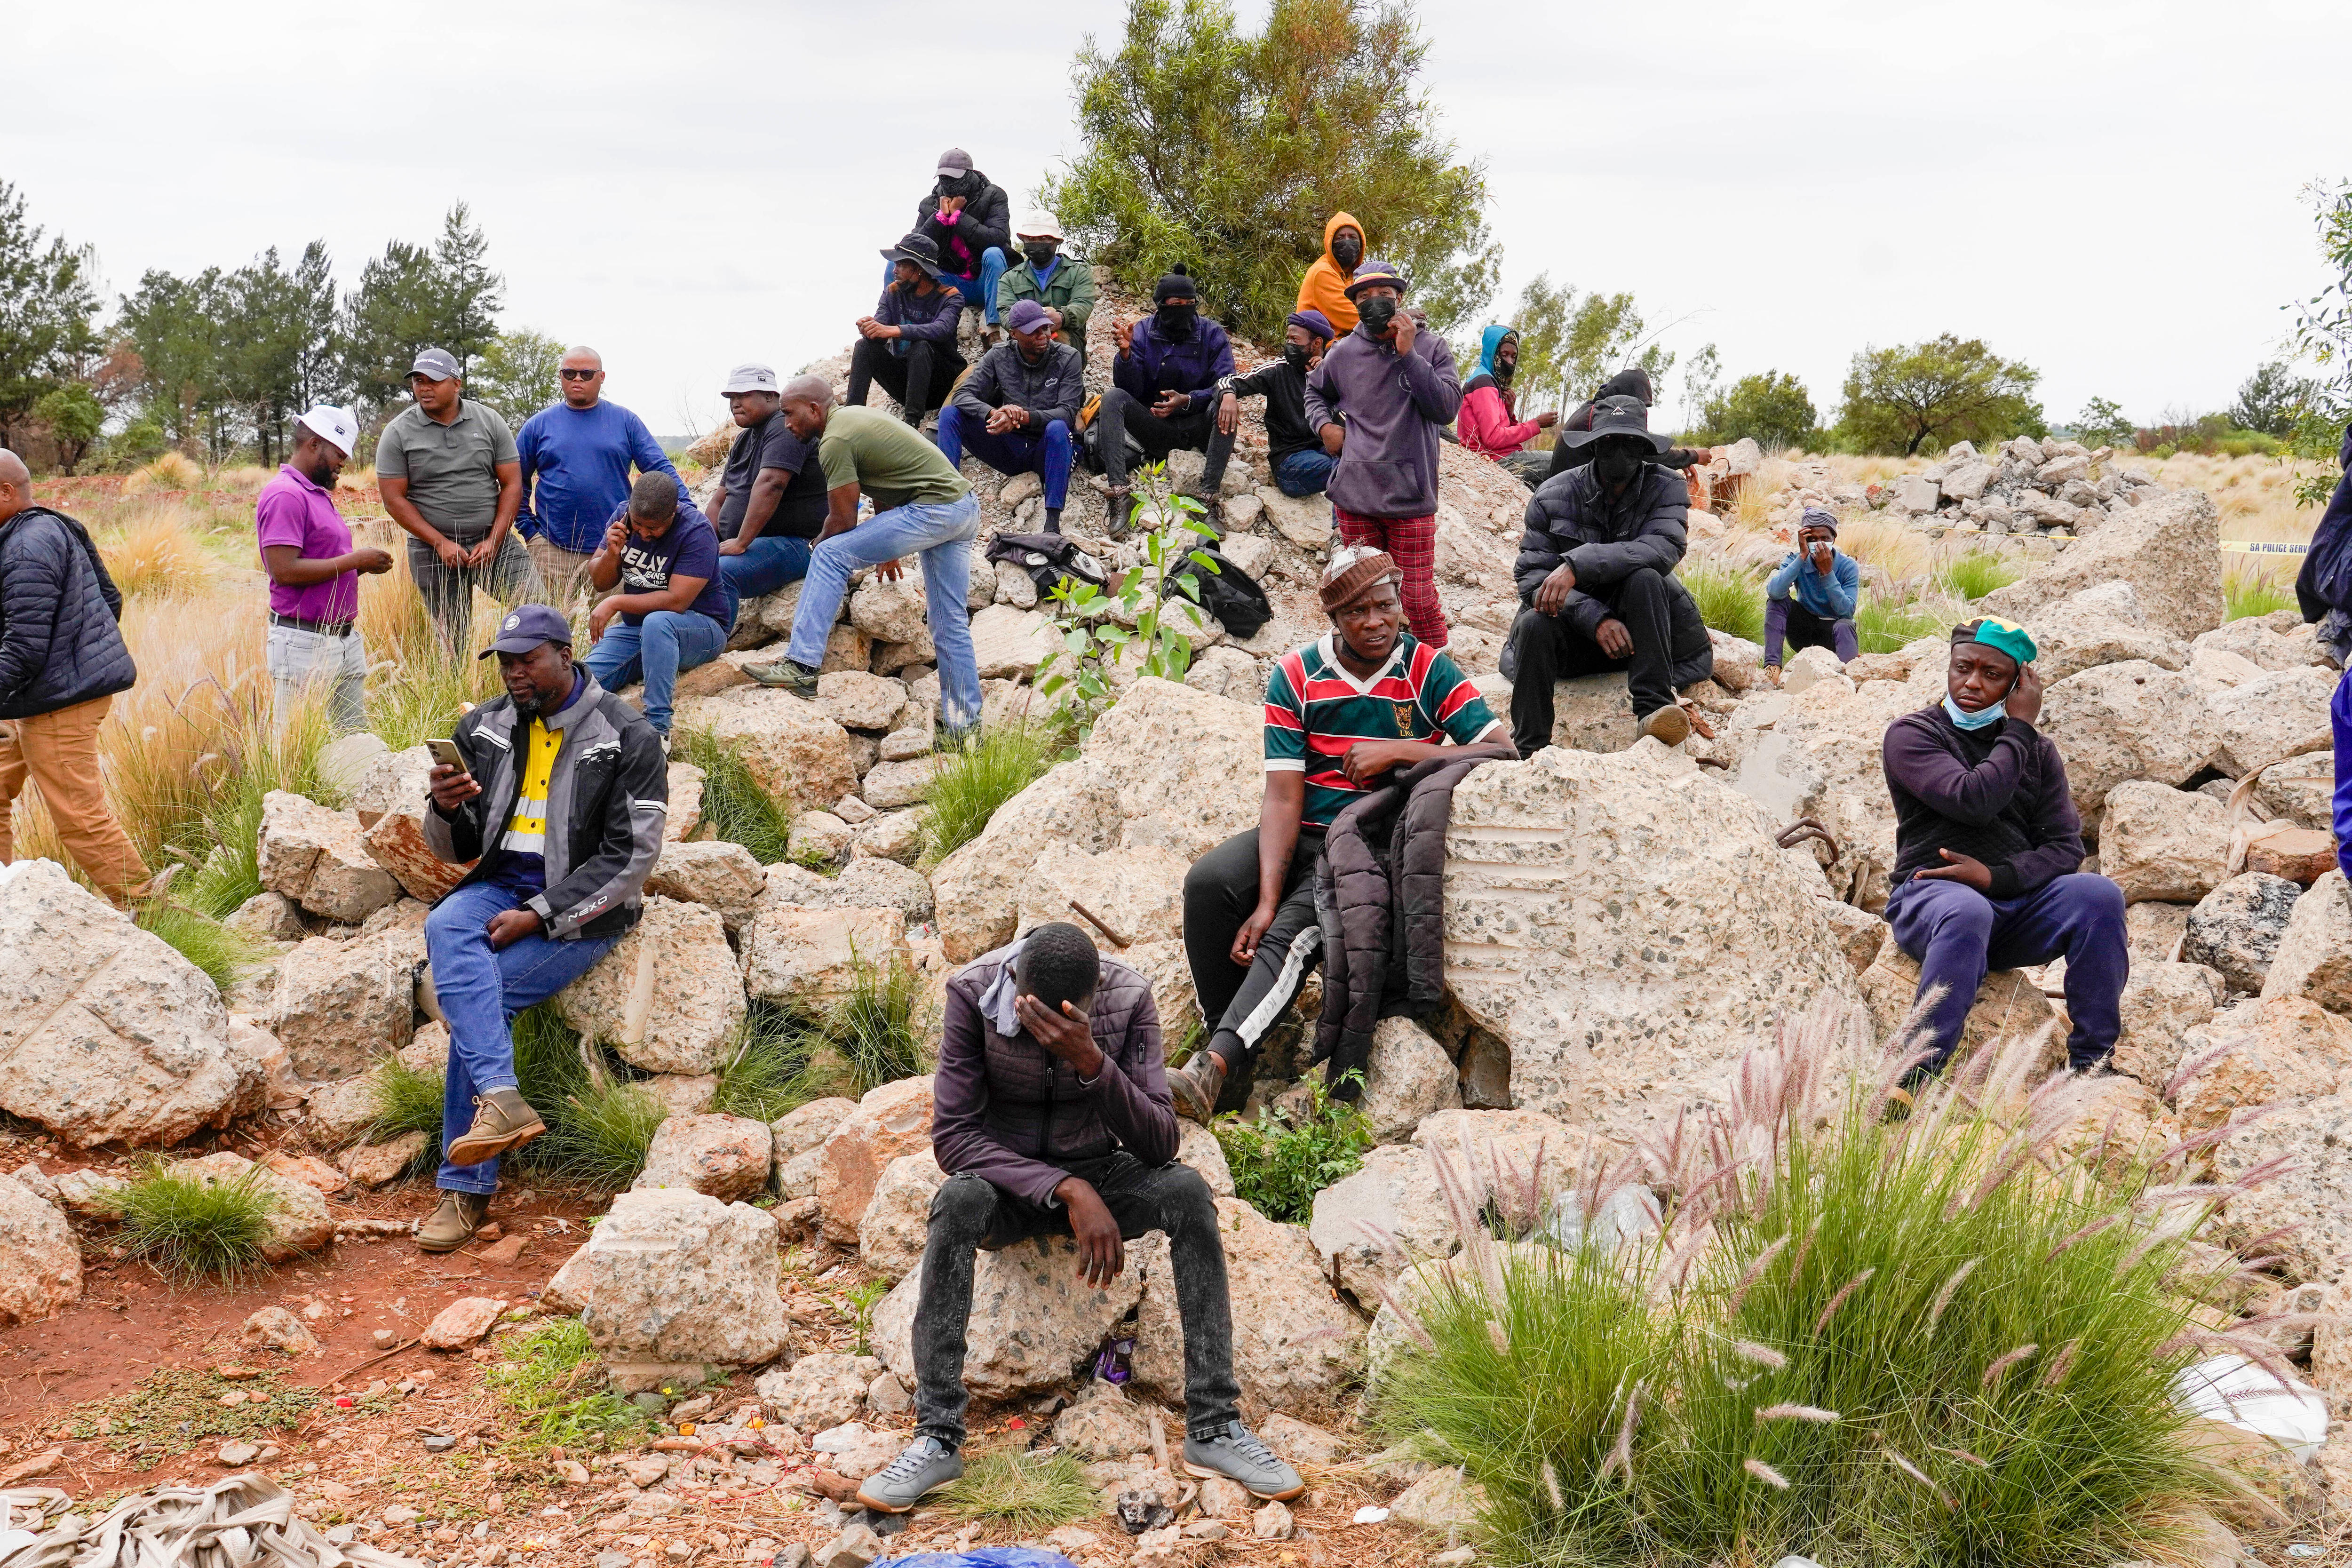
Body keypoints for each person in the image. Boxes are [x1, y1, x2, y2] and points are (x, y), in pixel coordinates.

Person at [857, 921, 1306, 1514]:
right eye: (1041, 1013)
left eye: (1073, 1013)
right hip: (1008, 1184)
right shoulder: (972, 993)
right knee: (957, 1203)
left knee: (1187, 1193)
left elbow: (1159, 1141)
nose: (1052, 1025)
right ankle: (937, 1438)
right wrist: (1064, 1189)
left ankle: (1214, 1426)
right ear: (1015, 980)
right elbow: (955, 1138)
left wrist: (1089, 1058)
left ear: (1096, 989)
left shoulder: (1127, 997)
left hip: (1103, 1169)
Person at [1168, 549, 1512, 1122]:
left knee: (1292, 933)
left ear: (1401, 604)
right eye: (1357, 612)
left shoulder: (1426, 669)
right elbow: (1282, 795)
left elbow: (1502, 749)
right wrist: (1264, 896)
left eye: (1385, 606)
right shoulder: (1297, 675)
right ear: (1333, 619)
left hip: (1365, 843)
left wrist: (1401, 750)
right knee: (1207, 886)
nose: (1375, 622)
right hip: (1303, 830)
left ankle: (1215, 1066)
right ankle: (1227, 1039)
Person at [417, 605, 667, 1251]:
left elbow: (632, 859)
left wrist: (542, 914)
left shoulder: (628, 735)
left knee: (483, 997)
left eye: (527, 659)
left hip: (582, 908)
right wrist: (446, 809)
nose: (513, 673)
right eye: (504, 661)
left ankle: (464, 1189)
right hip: (500, 884)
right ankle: (502, 1096)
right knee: (447, 919)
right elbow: (455, 850)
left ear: (566, 651)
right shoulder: (486, 725)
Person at [1881, 617, 2127, 1079]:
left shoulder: (2035, 752)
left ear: (2017, 684)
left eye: (1991, 674)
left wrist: (1996, 877)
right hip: (1932, 902)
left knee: (2098, 896)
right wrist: (2019, 729)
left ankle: (2092, 1064)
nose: (1971, 682)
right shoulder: (1913, 735)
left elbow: (2062, 847)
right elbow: (1972, 800)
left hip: (2013, 911)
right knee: (1965, 910)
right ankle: (1912, 1074)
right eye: (1961, 668)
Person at [743, 379, 982, 741]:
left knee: (828, 553)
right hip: (962, 509)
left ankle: (800, 665)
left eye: (790, 415)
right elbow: (885, 480)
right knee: (949, 623)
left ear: (814, 409)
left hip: (935, 511)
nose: (787, 424)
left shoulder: (835, 440)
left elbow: (842, 522)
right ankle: (964, 728)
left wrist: (814, 547)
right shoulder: (852, 420)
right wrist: (885, 550)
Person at [1505, 395, 1715, 755]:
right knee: (1534, 624)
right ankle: (1529, 746)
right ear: (1594, 447)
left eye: (1631, 443)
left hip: (1644, 634)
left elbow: (1664, 548)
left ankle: (1653, 713)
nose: (1620, 452)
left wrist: (1578, 564)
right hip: (1575, 636)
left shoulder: (1666, 486)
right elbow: (1532, 578)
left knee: (1647, 578)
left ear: (1645, 448)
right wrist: (1594, 618)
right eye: (1610, 443)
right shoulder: (1552, 494)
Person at [0, 447, 150, 906]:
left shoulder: (26, 547)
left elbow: (24, 646)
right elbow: (110, 599)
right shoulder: (47, 527)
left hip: (57, 702)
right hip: (35, 695)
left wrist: (65, 670)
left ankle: (156, 916)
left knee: (80, 819)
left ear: (6, 492)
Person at [1304, 260, 1463, 650]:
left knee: (1416, 599)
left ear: (1400, 298)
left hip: (1411, 498)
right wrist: (1325, 427)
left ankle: (1436, 675)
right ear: (1355, 302)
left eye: (1383, 295)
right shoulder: (1343, 353)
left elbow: (1446, 409)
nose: (1374, 302)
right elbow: (1314, 391)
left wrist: (1409, 355)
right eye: (1364, 296)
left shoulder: (1431, 347)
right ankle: (1373, 670)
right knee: (1363, 595)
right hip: (1356, 495)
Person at [378, 348, 541, 651]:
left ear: (457, 383)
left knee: (535, 609)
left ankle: (532, 682)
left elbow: (512, 484)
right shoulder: (399, 432)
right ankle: (462, 691)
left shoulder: (489, 421)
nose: (424, 388)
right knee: (453, 641)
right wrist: (440, 542)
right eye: (418, 381)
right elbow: (394, 500)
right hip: (432, 550)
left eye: (434, 381)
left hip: (493, 542)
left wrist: (494, 540)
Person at [255, 404, 392, 733]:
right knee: (296, 748)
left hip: (342, 639)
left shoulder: (316, 494)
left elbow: (322, 566)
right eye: (339, 453)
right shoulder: (286, 495)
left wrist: (361, 568)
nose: (344, 463)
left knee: (353, 742)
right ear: (314, 444)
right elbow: (284, 571)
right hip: (304, 643)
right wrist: (357, 560)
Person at [514, 346, 683, 605]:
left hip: (615, 547)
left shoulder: (625, 421)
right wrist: (529, 532)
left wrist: (689, 510)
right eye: (569, 373)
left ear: (602, 377)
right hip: (552, 549)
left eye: (586, 373)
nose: (577, 379)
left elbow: (660, 469)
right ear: (561, 377)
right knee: (551, 632)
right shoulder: (538, 425)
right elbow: (515, 482)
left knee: (615, 627)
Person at [581, 474, 730, 740]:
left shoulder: (697, 531)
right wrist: (612, 554)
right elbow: (601, 581)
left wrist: (616, 602)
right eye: (638, 524)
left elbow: (677, 601)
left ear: (673, 513)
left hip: (701, 628)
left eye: (654, 528)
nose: (645, 534)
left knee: (658, 622)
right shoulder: (622, 517)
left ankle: (658, 730)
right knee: (581, 681)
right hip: (640, 631)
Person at [1096, 271, 1237, 526]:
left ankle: (1206, 498)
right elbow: (1130, 388)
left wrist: (1189, 400)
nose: (1184, 310)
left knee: (1226, 400)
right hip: (1156, 428)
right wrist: (1127, 355)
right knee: (1113, 397)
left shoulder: (1212, 333)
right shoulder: (1142, 330)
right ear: (1160, 305)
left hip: (1198, 428)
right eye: (1175, 305)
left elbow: (1225, 378)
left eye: (1190, 304)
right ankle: (1119, 493)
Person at [938, 300, 1081, 533]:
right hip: (1009, 445)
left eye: (1044, 328)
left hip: (1048, 451)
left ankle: (1052, 525)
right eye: (1032, 332)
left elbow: (1067, 413)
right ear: (1014, 334)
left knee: (1057, 428)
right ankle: (948, 500)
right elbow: (962, 396)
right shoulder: (999, 355)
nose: (1042, 335)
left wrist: (1024, 417)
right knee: (950, 414)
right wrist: (994, 413)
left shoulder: (1068, 357)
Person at [708, 363, 831, 605]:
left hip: (797, 544)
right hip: (758, 545)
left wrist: (741, 542)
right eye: (732, 397)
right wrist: (703, 542)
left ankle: (713, 640)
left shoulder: (786, 425)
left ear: (770, 396)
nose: (735, 403)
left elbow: (772, 484)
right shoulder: (744, 439)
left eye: (743, 395)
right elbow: (719, 499)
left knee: (719, 573)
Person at [850, 233, 967, 428]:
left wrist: (895, 330)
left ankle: (912, 423)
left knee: (921, 347)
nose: (895, 271)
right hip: (906, 385)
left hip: (941, 385)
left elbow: (942, 329)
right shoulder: (893, 292)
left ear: (919, 270)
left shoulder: (950, 297)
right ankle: (852, 415)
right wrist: (870, 328)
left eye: (901, 266)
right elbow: (882, 327)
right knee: (864, 347)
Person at [1217, 310, 1336, 500]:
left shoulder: (1336, 371)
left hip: (1327, 452)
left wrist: (1328, 375)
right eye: (1288, 338)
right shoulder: (1279, 370)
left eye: (1295, 340)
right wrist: (1229, 396)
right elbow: (1229, 381)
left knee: (1360, 462)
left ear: (1317, 343)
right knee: (1348, 468)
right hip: (1290, 464)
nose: (1289, 344)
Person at [1542, 367, 1710, 484]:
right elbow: (1645, 453)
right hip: (1573, 499)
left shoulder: (1592, 409)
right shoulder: (1601, 416)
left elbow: (1643, 447)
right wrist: (1692, 456)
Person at [915, 148, 1011, 342]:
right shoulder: (930, 204)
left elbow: (999, 238)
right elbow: (914, 246)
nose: (949, 183)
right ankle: (893, 325)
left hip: (984, 284)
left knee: (994, 253)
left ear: (969, 174)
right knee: (897, 263)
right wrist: (940, 218)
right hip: (947, 284)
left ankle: (993, 329)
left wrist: (959, 218)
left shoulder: (994, 196)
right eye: (944, 177)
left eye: (955, 178)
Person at [1763, 509, 1860, 678]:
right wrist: (1802, 556)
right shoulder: (1795, 560)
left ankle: (1849, 676)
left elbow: (1846, 611)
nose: (1819, 543)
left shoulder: (1847, 566)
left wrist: (1828, 573)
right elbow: (1775, 592)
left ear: (1834, 540)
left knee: (1845, 624)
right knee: (1776, 603)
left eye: (1825, 539)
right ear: (1804, 540)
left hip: (1833, 633)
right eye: (1812, 539)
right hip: (1804, 629)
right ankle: (1772, 670)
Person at [1457, 326, 1557, 488]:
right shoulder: (1484, 384)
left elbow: (1495, 431)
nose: (1510, 362)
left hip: (1498, 456)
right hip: (1496, 459)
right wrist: (1536, 424)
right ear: (1493, 353)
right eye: (1505, 355)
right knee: (1563, 460)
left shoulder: (1489, 382)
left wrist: (1510, 413)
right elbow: (1493, 438)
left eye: (1514, 356)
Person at [995, 210, 1096, 369]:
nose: (1037, 243)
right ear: (1023, 240)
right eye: (1031, 239)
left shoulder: (1078, 273)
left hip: (1068, 341)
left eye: (1044, 238)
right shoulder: (1010, 278)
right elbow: (1005, 313)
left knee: (1058, 341)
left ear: (1056, 241)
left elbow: (1083, 304)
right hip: (1022, 341)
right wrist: (1031, 326)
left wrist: (1061, 317)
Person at [1295, 212, 1366, 337]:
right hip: (1319, 347)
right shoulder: (1322, 272)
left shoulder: (1355, 275)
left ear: (1361, 244)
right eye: (1340, 238)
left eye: (1353, 237)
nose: (1347, 242)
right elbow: (1353, 318)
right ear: (1330, 244)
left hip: (1342, 341)